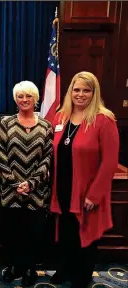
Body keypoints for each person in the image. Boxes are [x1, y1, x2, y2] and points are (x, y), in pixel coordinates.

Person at [50, 71, 119, 288]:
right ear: (70, 91)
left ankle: (81, 276)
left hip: (86, 191)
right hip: (62, 187)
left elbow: (109, 163)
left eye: (86, 90)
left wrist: (94, 195)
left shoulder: (104, 120)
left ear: (94, 93)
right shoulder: (61, 116)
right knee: (67, 233)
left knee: (85, 235)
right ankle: (65, 269)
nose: (80, 94)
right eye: (76, 89)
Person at [0, 81, 53, 286]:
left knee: (33, 233)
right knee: (11, 232)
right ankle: (13, 266)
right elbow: (0, 153)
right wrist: (15, 182)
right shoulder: (6, 123)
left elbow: (47, 158)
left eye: (29, 96)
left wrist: (31, 183)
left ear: (36, 99)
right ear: (15, 99)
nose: (24, 100)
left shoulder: (46, 126)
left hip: (36, 192)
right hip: (10, 191)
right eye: (20, 96)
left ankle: (29, 267)